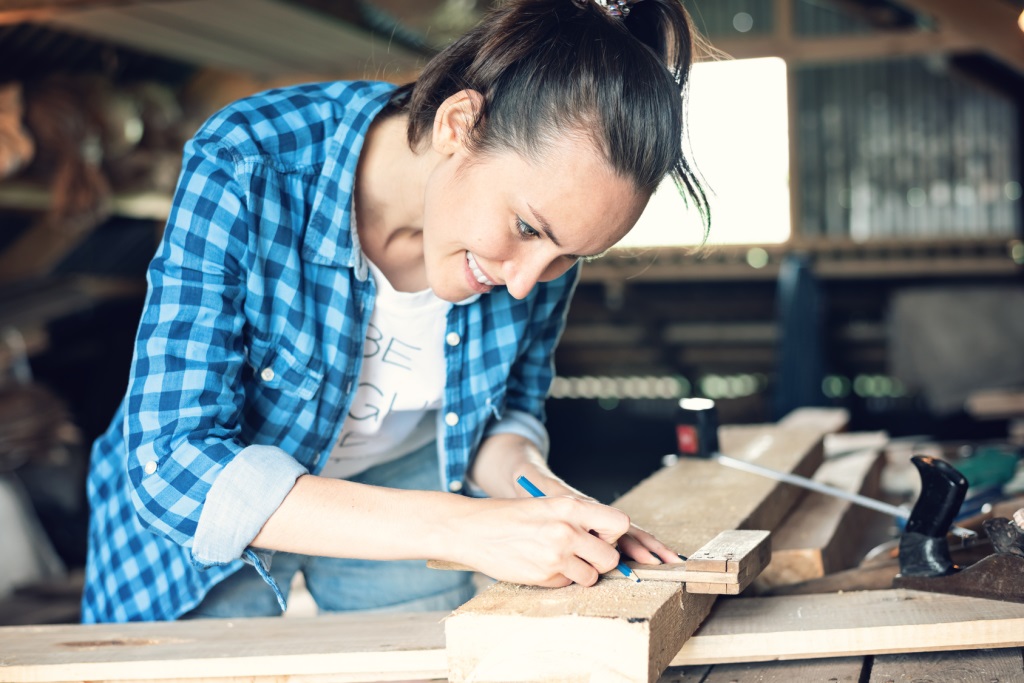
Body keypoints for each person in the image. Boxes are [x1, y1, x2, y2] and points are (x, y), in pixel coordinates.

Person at [81, 0, 710, 623]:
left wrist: (556, 509)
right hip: (202, 546)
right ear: (458, 125)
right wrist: (463, 530)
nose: (526, 285)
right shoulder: (248, 159)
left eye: (568, 257)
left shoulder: (541, 243)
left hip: (404, 485)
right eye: (524, 228)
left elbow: (504, 414)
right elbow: (173, 464)